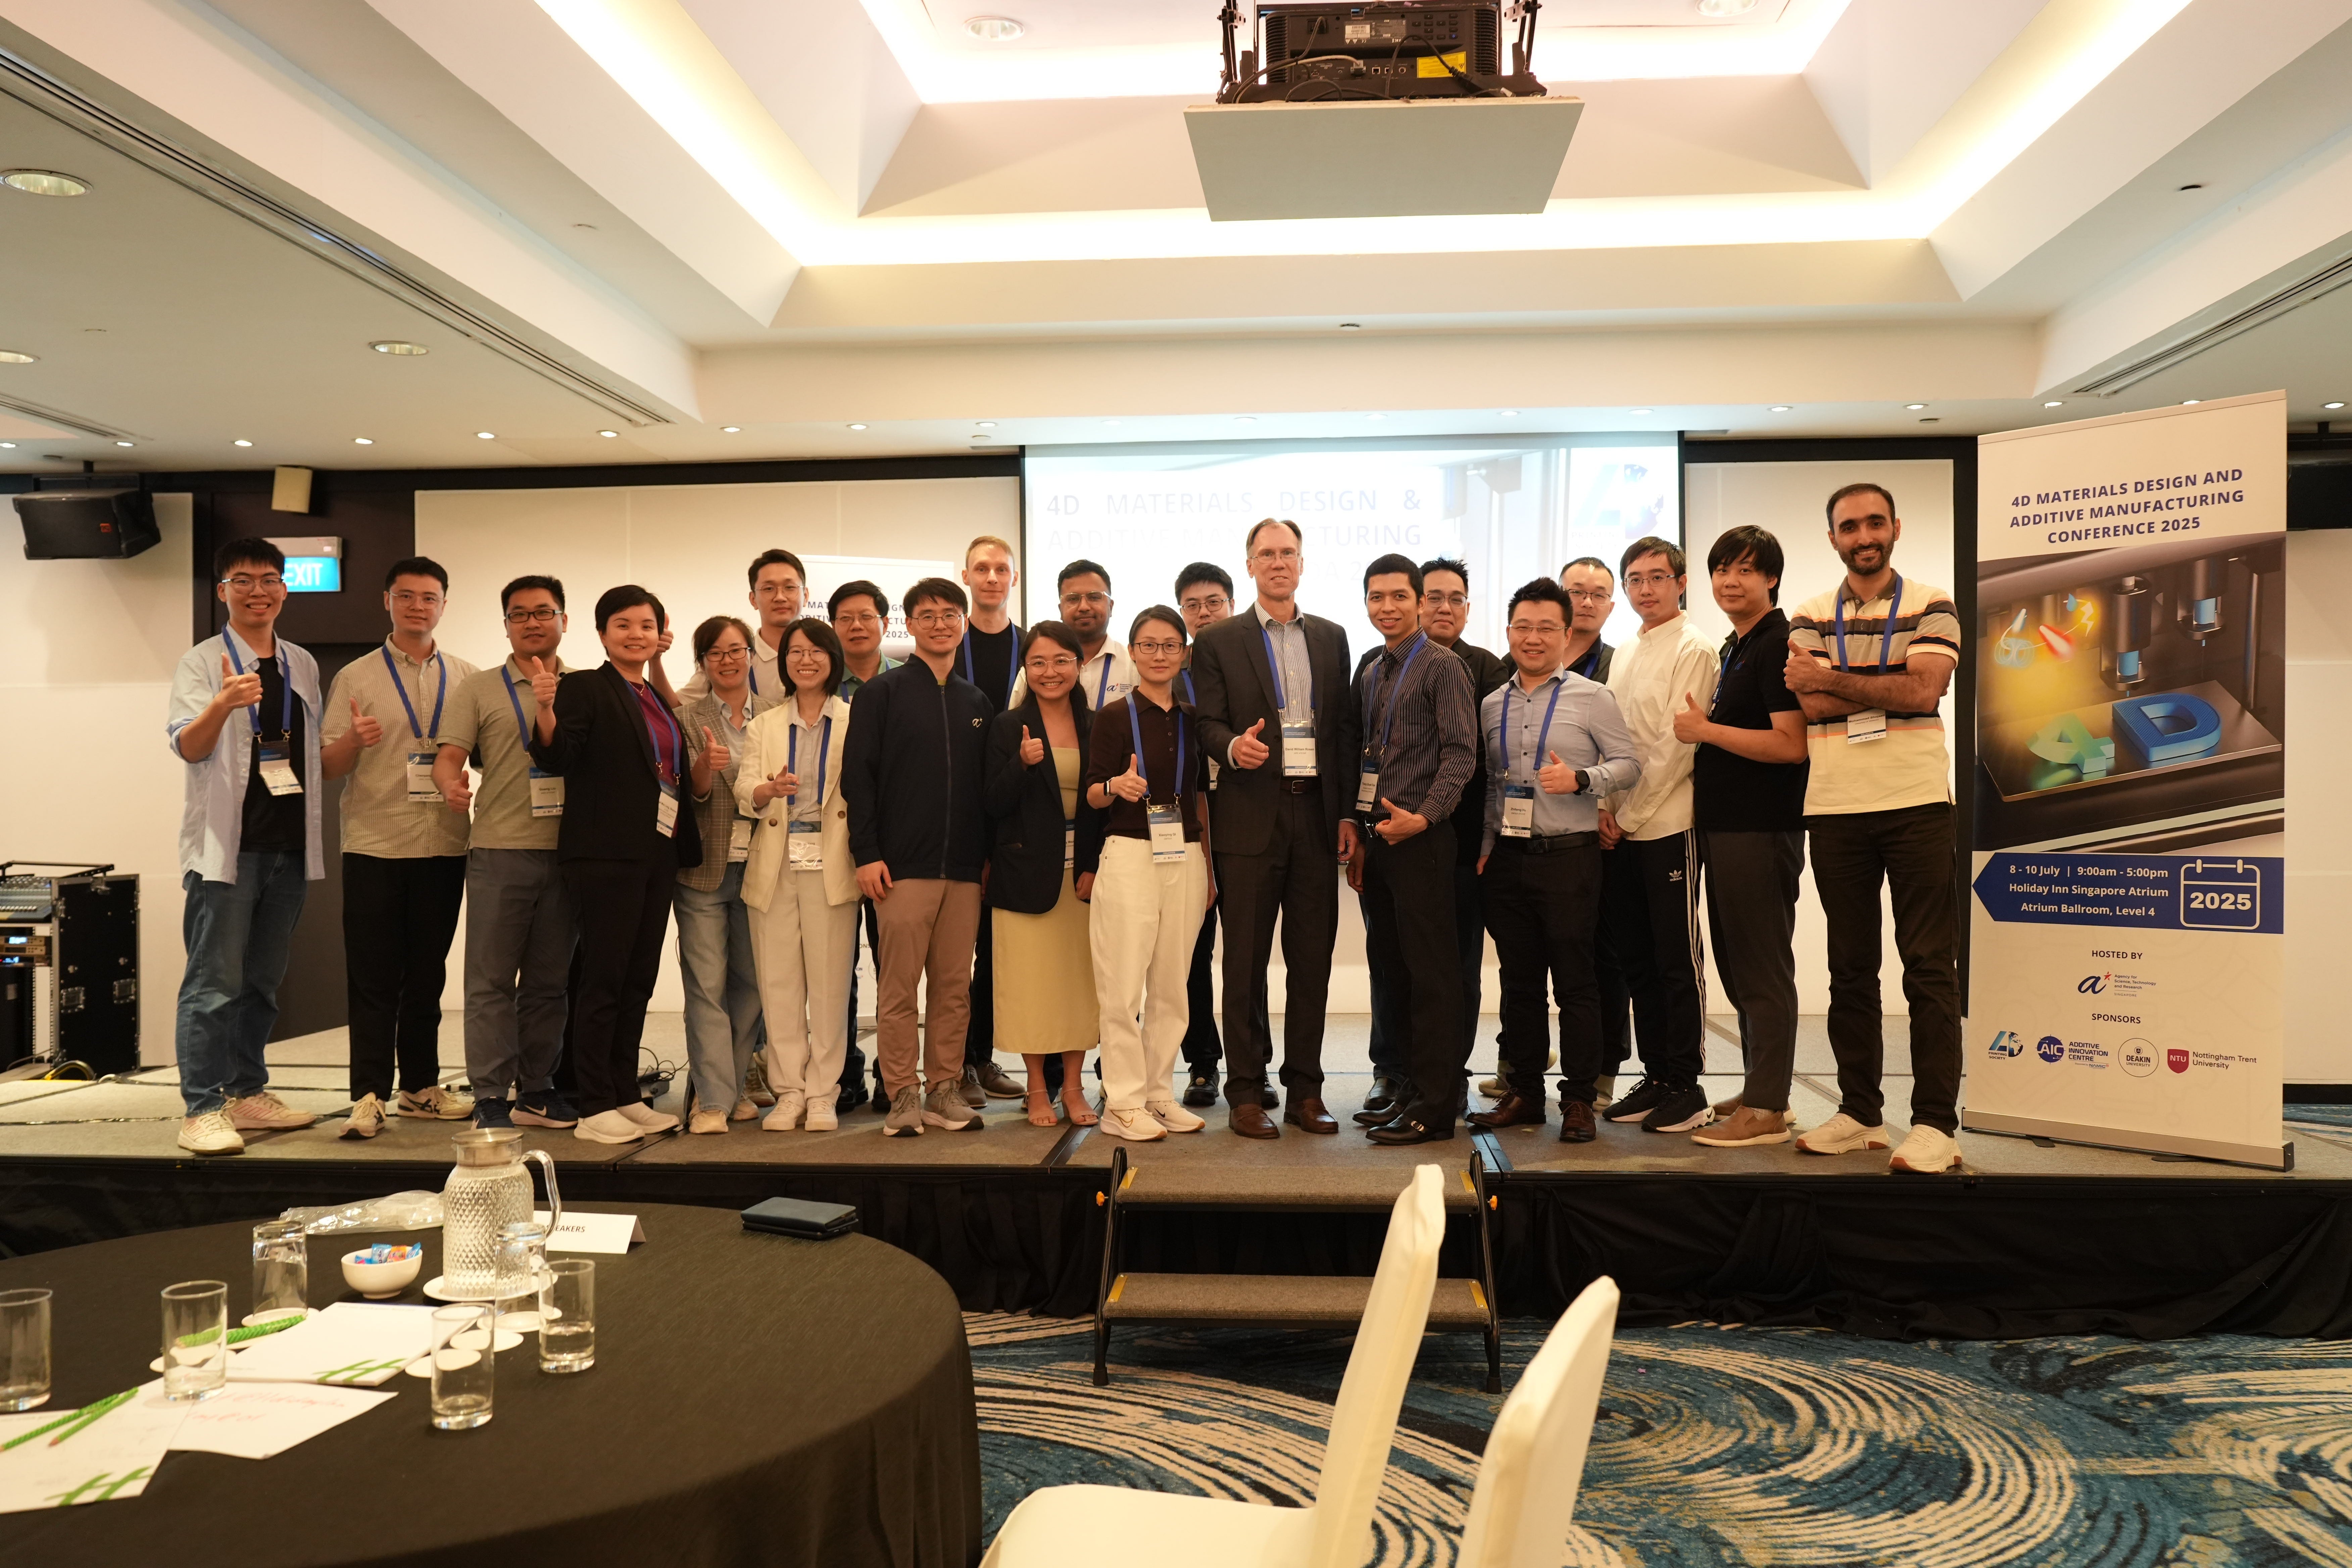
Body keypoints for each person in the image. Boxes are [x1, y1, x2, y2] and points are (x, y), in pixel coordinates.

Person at [1783, 482, 1964, 1175]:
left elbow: (1924, 690)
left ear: (1895, 527)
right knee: (1849, 969)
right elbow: (1806, 693)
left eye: (1874, 522)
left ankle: (1934, 1124)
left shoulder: (1932, 602)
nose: (1863, 535)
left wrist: (1840, 677)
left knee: (1928, 967)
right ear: (1832, 537)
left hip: (1917, 803)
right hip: (1834, 807)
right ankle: (1860, 1111)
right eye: (1848, 526)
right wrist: (1879, 676)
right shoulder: (1807, 611)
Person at [1189, 519, 1361, 1138]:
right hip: (1248, 818)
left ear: (1302, 563)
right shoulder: (1218, 640)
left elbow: (1342, 731)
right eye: (1267, 553)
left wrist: (1345, 814)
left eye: (1287, 552)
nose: (1278, 562)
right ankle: (1244, 1092)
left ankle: (1306, 1092)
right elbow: (1205, 722)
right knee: (1244, 964)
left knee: (1311, 962)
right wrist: (1233, 745)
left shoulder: (1332, 637)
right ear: (1250, 565)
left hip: (1315, 815)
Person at [165, 538, 327, 1155]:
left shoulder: (302, 662)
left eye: (269, 579)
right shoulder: (202, 663)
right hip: (226, 850)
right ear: (222, 591)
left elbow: (307, 757)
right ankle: (201, 1108)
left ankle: (247, 1092)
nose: (257, 590)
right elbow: (189, 746)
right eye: (243, 580)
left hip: (286, 846)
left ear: (285, 588)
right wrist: (223, 703)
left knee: (261, 981)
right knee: (213, 984)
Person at [1466, 580, 1642, 1142]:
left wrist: (1582, 780)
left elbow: (1629, 763)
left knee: (1575, 984)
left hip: (1569, 858)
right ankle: (1523, 1093)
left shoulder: (1593, 697)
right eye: (1522, 626)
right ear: (1508, 631)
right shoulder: (1492, 702)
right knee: (1518, 985)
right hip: (1508, 862)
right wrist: (1487, 851)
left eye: (1546, 628)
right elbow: (1494, 787)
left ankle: (1578, 1100)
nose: (1532, 637)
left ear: (1567, 634)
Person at [528, 585, 697, 1144]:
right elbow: (558, 755)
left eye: (645, 625)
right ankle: (594, 1099)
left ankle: (624, 1091)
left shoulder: (651, 694)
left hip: (656, 852)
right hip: (604, 855)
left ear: (658, 634)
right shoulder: (583, 687)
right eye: (622, 625)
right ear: (602, 634)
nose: (635, 634)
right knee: (602, 978)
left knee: (637, 979)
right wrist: (546, 709)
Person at [321, 556, 477, 1138]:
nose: (418, 606)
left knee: (427, 977)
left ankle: (419, 1087)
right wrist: (353, 741)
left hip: (444, 845)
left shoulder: (466, 676)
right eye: (406, 596)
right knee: (373, 979)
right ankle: (367, 1096)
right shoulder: (357, 677)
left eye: (429, 597)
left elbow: (488, 754)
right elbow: (327, 766)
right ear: (387, 601)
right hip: (375, 847)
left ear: (443, 604)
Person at [1358, 558, 1509, 1123]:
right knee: (1395, 969)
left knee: (1433, 976)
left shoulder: (1443, 666)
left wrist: (1422, 818)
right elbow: (1370, 754)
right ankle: (1408, 1089)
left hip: (1422, 839)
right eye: (1377, 597)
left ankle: (1436, 1105)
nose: (1388, 607)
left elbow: (1461, 754)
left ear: (1419, 602)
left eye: (1399, 596)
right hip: (1383, 841)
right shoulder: (1376, 669)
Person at [432, 574, 581, 1132]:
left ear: (563, 620)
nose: (533, 622)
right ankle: (491, 1094)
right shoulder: (477, 688)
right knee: (490, 981)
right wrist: (449, 784)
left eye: (544, 612)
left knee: (549, 983)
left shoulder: (584, 687)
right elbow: (449, 756)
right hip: (499, 850)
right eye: (520, 614)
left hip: (566, 855)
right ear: (507, 626)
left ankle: (537, 1089)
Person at [844, 577, 992, 1136]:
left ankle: (944, 1090)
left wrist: (982, 861)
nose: (938, 622)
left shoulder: (975, 701)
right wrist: (867, 853)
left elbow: (981, 790)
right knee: (899, 989)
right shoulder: (880, 694)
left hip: (962, 872)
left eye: (948, 613)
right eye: (926, 614)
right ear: (909, 624)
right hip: (901, 869)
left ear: (962, 621)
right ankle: (903, 1093)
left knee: (955, 989)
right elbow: (858, 780)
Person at [1679, 527, 1810, 1148]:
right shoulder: (1741, 644)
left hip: (1760, 829)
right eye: (1721, 569)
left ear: (1771, 579)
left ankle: (1766, 1108)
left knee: (1761, 967)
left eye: (1745, 570)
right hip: (1728, 828)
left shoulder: (1777, 644)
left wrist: (1704, 730)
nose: (1730, 580)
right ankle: (1763, 1088)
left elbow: (1790, 745)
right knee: (1737, 963)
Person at [1594, 537, 1718, 1135]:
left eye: (1657, 578)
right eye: (1635, 580)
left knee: (1676, 961)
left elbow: (1676, 747)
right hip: (1621, 827)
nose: (1645, 589)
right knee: (1636, 961)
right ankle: (1657, 1076)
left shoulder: (1694, 648)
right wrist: (1604, 808)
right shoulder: (1624, 652)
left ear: (1680, 582)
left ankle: (1688, 1086)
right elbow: (1615, 743)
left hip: (1667, 824)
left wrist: (1630, 815)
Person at [1086, 607, 1215, 1142]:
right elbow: (1092, 793)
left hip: (1184, 855)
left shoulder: (1194, 717)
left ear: (1183, 654)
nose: (1159, 655)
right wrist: (1117, 785)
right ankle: (1122, 1101)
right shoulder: (1115, 715)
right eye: (1148, 645)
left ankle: (1159, 1093)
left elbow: (1203, 797)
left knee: (1172, 984)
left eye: (1170, 646)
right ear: (1132, 652)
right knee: (1122, 987)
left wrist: (1208, 865)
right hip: (1129, 856)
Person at [737, 619, 860, 1132]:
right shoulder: (764, 725)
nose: (805, 660)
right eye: (795, 652)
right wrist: (768, 790)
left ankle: (823, 1093)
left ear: (833, 659)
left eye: (816, 652)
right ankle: (789, 1091)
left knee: (831, 983)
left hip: (832, 861)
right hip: (776, 860)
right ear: (783, 661)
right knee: (780, 981)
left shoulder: (855, 720)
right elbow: (745, 789)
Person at [985, 622, 1107, 1127]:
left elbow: (1108, 805)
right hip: (1025, 875)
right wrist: (1022, 765)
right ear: (1026, 670)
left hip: (1083, 878)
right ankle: (1038, 1088)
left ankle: (1075, 1088)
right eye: (1038, 662)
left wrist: (1095, 866)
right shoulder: (1007, 726)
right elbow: (990, 803)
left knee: (1080, 987)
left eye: (1061, 661)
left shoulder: (1099, 724)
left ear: (1079, 666)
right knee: (1032, 988)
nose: (1050, 671)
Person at [673, 616, 774, 1133]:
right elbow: (689, 795)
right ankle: (712, 1101)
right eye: (717, 653)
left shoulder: (775, 717)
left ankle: (732, 1088)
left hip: (761, 869)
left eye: (737, 651)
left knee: (752, 987)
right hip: (704, 872)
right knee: (706, 986)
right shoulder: (687, 718)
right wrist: (705, 769)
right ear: (704, 663)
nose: (729, 660)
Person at [957, 538, 1028, 1107]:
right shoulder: (944, 646)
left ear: (1014, 577)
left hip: (1012, 810)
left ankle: (981, 1057)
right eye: (981, 568)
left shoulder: (1031, 648)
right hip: (957, 813)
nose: (990, 577)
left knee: (996, 949)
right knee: (958, 950)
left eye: (1000, 568)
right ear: (965, 576)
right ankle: (954, 1062)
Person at [1173, 561, 1245, 1108]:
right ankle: (1203, 1063)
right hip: (1184, 822)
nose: (1204, 613)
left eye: (1213, 602)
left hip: (1245, 815)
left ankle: (1255, 1066)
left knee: (1246, 953)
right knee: (1191, 952)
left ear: (1232, 603)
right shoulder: (1168, 670)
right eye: (1193, 605)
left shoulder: (1249, 662)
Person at [829, 578, 898, 1113]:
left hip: (889, 849)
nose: (857, 626)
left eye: (866, 616)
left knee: (890, 964)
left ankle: (890, 1074)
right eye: (846, 618)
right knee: (837, 964)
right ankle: (845, 1073)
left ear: (884, 622)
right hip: (829, 845)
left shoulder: (908, 682)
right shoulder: (820, 683)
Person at [678, 548, 804, 702]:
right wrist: (656, 659)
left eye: (790, 588)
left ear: (806, 596)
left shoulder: (824, 654)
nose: (780, 597)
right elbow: (677, 705)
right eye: (769, 589)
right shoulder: (735, 654)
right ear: (753, 599)